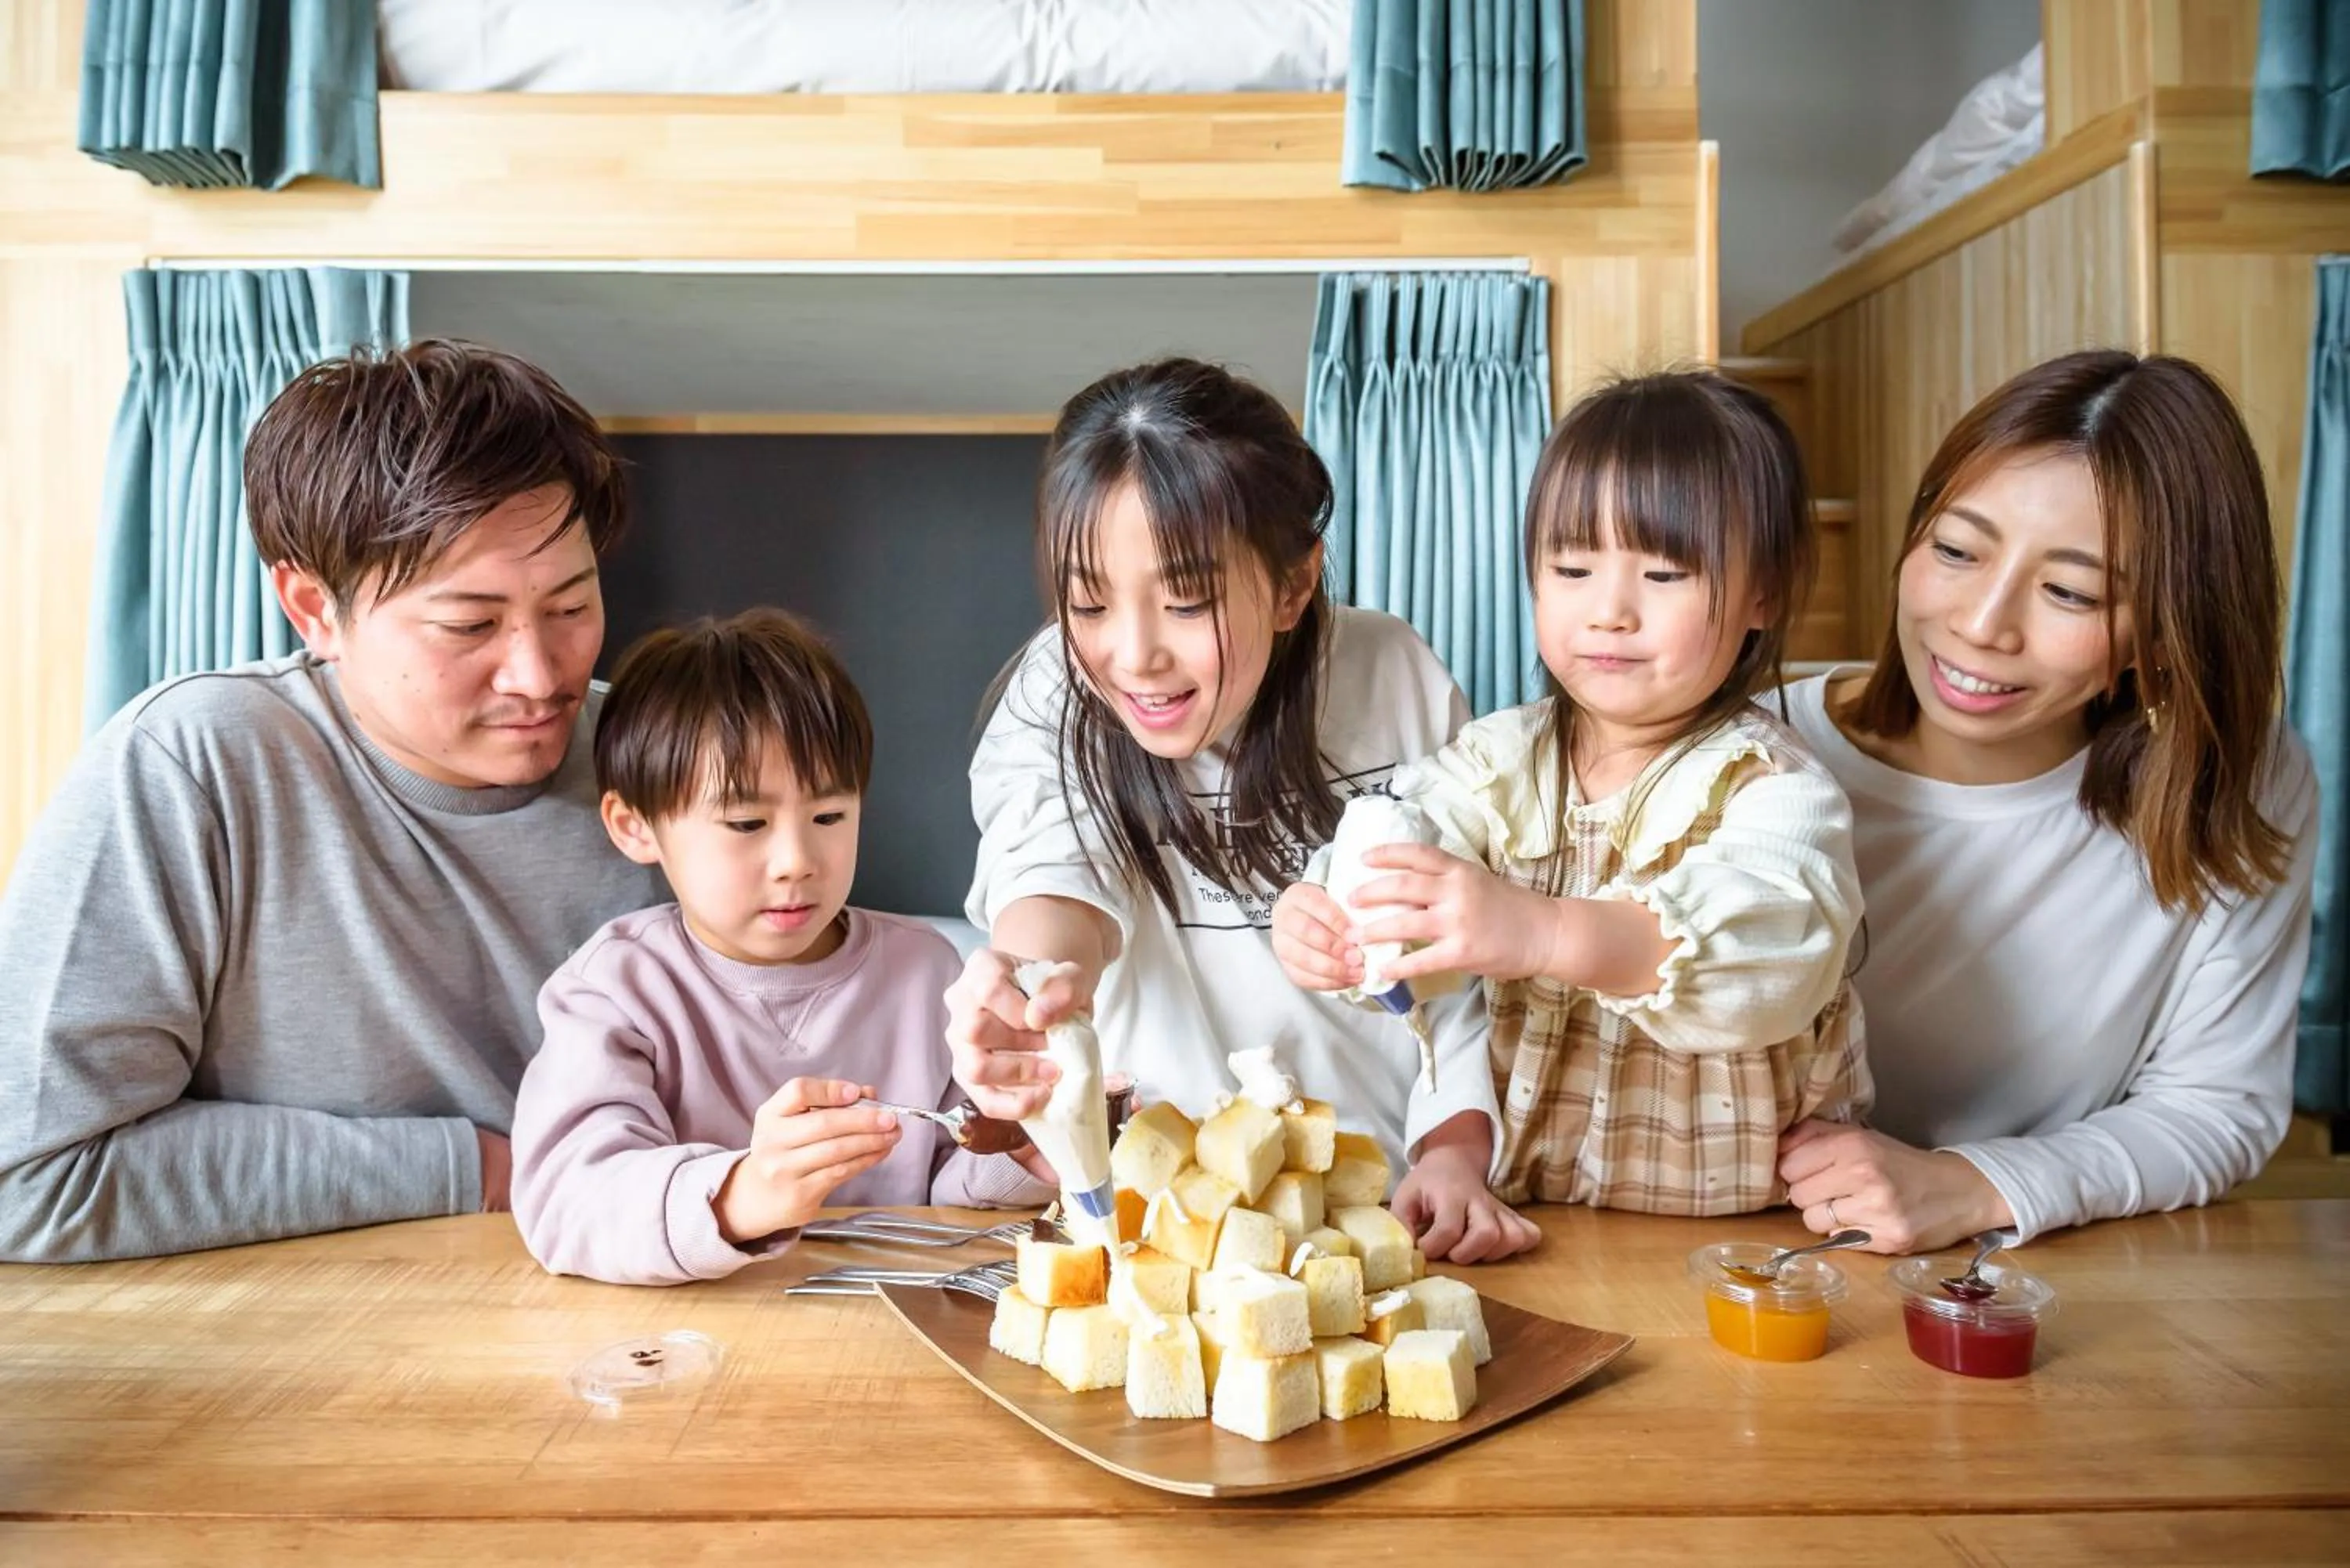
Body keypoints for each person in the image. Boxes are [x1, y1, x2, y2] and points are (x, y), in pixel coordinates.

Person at [0, 339, 663, 1260]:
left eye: (572, 605)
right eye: (469, 623)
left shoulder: (667, 763)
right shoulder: (195, 765)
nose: (540, 673)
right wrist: (473, 1166)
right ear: (315, 608)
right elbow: (29, 1175)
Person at [947, 357, 1533, 1263]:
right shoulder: (1052, 691)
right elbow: (1055, 884)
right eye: (1089, 601)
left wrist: (1455, 1155)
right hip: (1168, 1224)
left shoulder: (1391, 673)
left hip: (1392, 1205)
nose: (1134, 655)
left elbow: (1453, 976)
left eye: (1187, 601)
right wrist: (1028, 989)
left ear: (1294, 585)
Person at [1275, 369, 1870, 1216]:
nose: (1610, 612)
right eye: (1573, 566)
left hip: (1747, 1236)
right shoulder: (1498, 760)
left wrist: (1542, 929)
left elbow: (1769, 963)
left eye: (1664, 575)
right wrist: (1336, 915)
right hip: (1538, 1216)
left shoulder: (1774, 789)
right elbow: (1410, 845)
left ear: (1762, 593)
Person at [1777, 349, 2318, 1252]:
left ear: (2166, 627)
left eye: (2070, 591)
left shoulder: (2236, 779)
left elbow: (2217, 1108)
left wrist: (1973, 1183)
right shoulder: (1751, 755)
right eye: (1954, 550)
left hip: (2048, 1283)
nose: (1983, 624)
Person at [512, 609, 1050, 1284]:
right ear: (636, 826)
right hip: (692, 1349)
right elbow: (567, 1201)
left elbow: (950, 1192)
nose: (797, 860)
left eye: (829, 816)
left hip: (887, 1331)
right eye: (746, 822)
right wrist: (741, 1193)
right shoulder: (615, 991)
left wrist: (1024, 1146)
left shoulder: (925, 971)